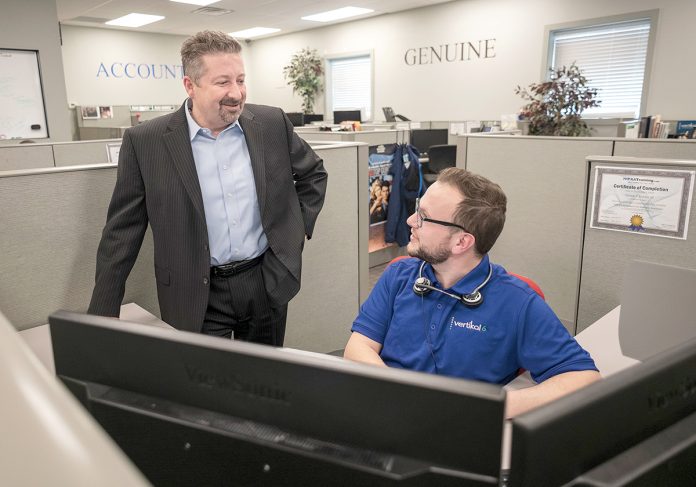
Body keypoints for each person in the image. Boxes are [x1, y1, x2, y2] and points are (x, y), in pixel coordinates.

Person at [88, 31, 328, 346]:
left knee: (265, 384)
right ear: (190, 86)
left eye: (241, 80)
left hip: (264, 280)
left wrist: (292, 234)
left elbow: (313, 174)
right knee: (203, 386)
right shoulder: (146, 142)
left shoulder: (270, 123)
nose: (237, 93)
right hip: (195, 292)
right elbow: (123, 231)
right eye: (222, 82)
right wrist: (101, 318)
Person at [344, 168, 599, 417]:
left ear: (461, 242)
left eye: (423, 216)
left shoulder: (516, 302)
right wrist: (402, 394)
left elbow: (584, 378)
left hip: (455, 434)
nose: (411, 221)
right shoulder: (399, 275)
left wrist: (494, 407)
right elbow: (358, 346)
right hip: (385, 413)